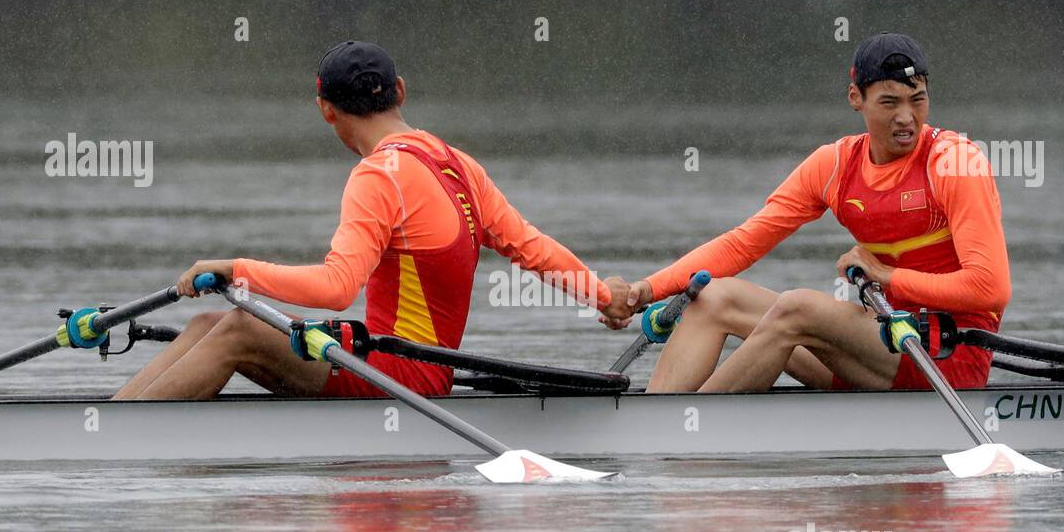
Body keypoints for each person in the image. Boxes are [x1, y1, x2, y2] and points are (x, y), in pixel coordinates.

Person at [115, 40, 622, 400]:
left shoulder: (378, 175)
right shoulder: (458, 164)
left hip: (400, 376)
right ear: (400, 90)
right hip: (411, 364)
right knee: (209, 321)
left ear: (325, 110)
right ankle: (117, 420)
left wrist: (234, 269)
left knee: (239, 330)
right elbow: (535, 251)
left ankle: (110, 442)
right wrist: (605, 298)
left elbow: (337, 287)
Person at [605, 33, 1010, 393]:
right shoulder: (833, 164)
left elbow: (990, 289)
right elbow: (742, 243)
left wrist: (887, 277)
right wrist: (648, 290)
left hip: (944, 359)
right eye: (889, 102)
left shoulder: (955, 162)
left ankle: (679, 432)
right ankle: (658, 414)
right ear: (856, 98)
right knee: (714, 295)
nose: (906, 117)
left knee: (798, 307)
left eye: (917, 99)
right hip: (877, 345)